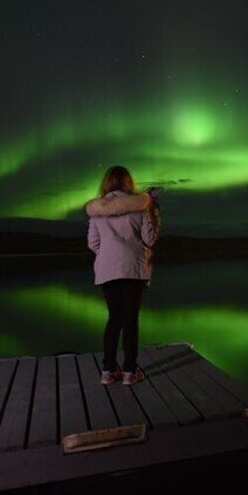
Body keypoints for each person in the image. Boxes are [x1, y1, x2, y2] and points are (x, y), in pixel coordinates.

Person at [87, 165, 161, 386]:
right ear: (129, 182)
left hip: (107, 270)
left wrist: (110, 255)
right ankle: (129, 371)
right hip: (132, 269)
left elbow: (93, 243)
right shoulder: (141, 206)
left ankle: (108, 371)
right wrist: (154, 211)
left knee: (114, 319)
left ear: (106, 183)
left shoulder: (97, 210)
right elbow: (150, 239)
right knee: (130, 320)